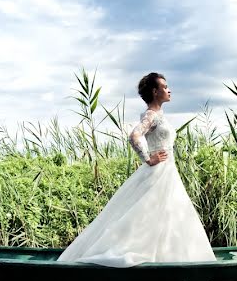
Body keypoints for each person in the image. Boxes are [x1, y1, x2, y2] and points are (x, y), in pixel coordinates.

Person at [56, 72, 215, 267]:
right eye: (165, 87)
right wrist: (148, 158)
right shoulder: (151, 115)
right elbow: (134, 136)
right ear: (155, 92)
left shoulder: (158, 116)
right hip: (158, 169)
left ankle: (167, 256)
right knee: (149, 212)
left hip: (167, 171)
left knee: (168, 212)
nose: (169, 90)